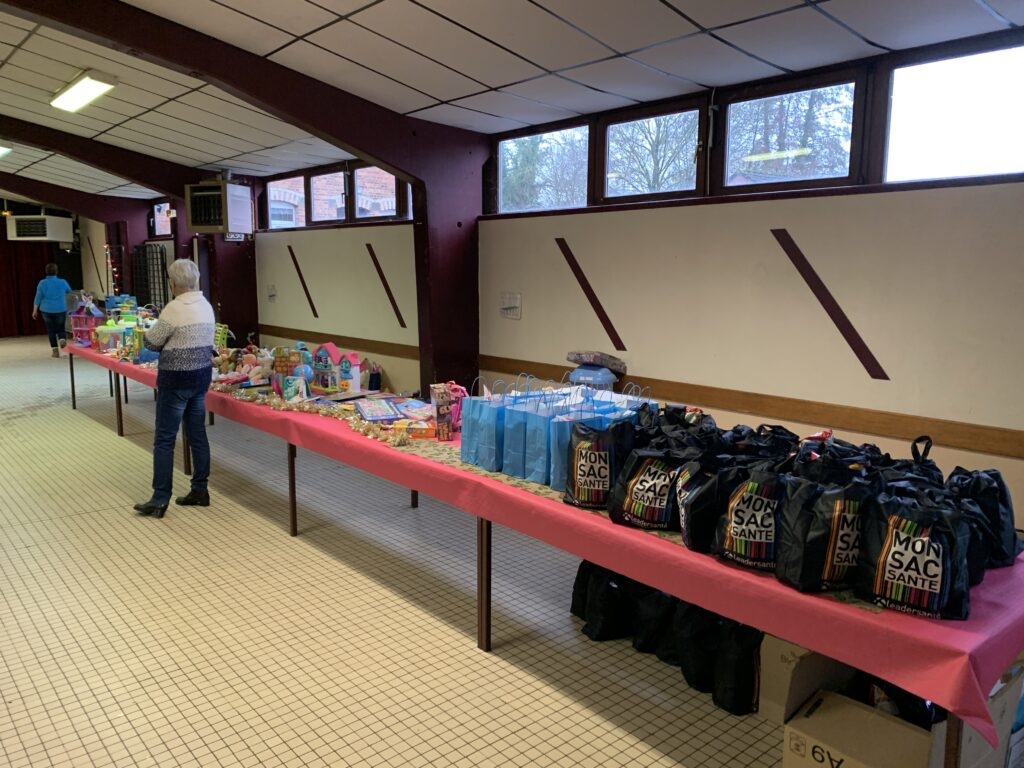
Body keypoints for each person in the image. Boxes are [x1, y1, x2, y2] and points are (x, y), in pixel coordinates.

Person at [133, 259, 216, 519]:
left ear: (172, 283)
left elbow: (152, 343)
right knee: (197, 434)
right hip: (200, 378)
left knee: (165, 439)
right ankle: (200, 490)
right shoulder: (206, 306)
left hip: (175, 382)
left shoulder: (173, 309)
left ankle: (160, 498)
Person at [32, 263, 72, 358]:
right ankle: (63, 345)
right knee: (61, 328)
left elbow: (37, 298)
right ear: (56, 271)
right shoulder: (63, 282)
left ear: (46, 272)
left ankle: (55, 351)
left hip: (46, 310)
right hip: (60, 309)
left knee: (51, 330)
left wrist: (34, 311)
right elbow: (69, 291)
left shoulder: (42, 283)